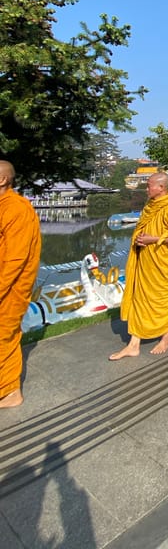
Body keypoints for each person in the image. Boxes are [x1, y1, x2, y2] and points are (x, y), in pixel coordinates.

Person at [109, 172, 168, 359]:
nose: (147, 189)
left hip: (164, 266)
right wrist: (139, 240)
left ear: (161, 187)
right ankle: (133, 344)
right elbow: (144, 227)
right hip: (146, 262)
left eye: (149, 186)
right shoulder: (151, 205)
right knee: (139, 299)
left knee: (164, 302)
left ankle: (166, 337)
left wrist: (152, 239)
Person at [0, 161, 42, 408]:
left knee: (3, 336)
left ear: (3, 180)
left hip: (10, 286)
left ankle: (11, 392)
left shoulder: (17, 209)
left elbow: (16, 259)